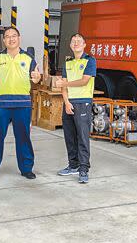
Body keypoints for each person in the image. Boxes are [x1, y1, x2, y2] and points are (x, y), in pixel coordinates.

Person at [0, 26, 41, 182]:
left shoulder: (28, 58)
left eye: (13, 36)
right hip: (2, 104)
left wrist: (36, 77)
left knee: (23, 137)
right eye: (7, 36)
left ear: (19, 38)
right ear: (3, 40)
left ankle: (26, 169)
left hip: (22, 104)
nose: (11, 39)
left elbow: (35, 80)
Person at [56, 33, 97, 184]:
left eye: (79, 41)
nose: (76, 43)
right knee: (70, 136)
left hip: (83, 102)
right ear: (70, 45)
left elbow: (84, 81)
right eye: (73, 41)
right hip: (69, 103)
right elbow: (63, 84)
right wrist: (66, 102)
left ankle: (84, 169)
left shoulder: (90, 61)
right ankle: (73, 165)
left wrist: (64, 84)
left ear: (84, 44)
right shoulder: (68, 63)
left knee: (82, 137)